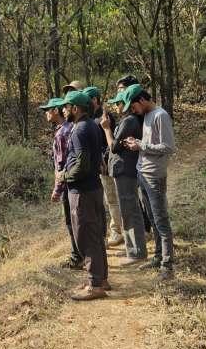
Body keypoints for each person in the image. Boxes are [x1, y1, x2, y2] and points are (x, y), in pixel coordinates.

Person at [56, 90, 109, 300]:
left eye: (66, 107)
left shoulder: (79, 130)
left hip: (83, 192)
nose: (63, 110)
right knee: (96, 235)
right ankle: (101, 279)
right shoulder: (93, 126)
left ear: (76, 109)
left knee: (86, 237)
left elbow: (82, 164)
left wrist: (64, 175)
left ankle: (95, 285)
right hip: (94, 188)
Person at [123, 85, 177, 281]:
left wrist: (141, 145)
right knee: (152, 219)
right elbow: (149, 144)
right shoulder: (147, 115)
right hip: (143, 173)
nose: (132, 111)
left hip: (155, 176)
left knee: (161, 221)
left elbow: (168, 147)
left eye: (133, 106)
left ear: (142, 100)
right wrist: (136, 143)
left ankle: (167, 266)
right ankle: (157, 257)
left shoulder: (160, 115)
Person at [102, 79, 148, 264]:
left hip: (126, 171)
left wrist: (106, 129)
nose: (117, 107)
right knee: (128, 209)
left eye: (118, 103)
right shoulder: (129, 120)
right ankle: (134, 250)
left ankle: (136, 252)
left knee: (130, 210)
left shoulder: (129, 121)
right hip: (124, 171)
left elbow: (113, 146)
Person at [41, 97, 82, 269]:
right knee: (76, 219)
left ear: (56, 111)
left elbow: (61, 164)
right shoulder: (70, 128)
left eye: (48, 110)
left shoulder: (61, 133)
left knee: (70, 221)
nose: (46, 113)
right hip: (75, 182)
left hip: (67, 184)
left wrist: (57, 190)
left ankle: (77, 256)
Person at [84, 85, 124, 248]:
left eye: (87, 100)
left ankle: (117, 232)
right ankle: (113, 230)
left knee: (113, 199)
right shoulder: (91, 117)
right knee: (106, 200)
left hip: (107, 165)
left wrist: (104, 161)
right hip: (98, 166)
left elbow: (110, 141)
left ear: (94, 99)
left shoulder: (104, 116)